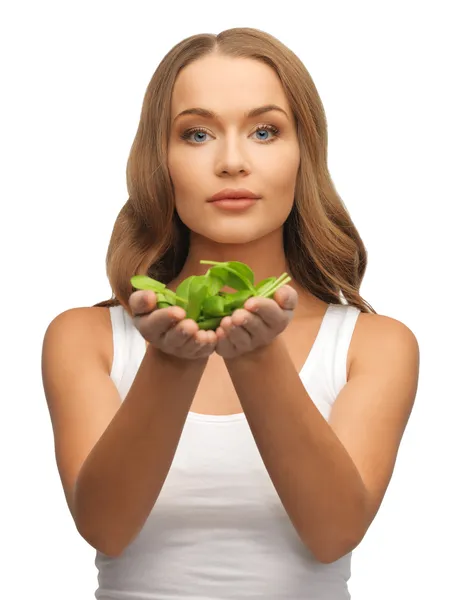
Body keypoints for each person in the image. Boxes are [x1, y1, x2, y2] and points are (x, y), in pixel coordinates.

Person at [41, 27, 420, 600]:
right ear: (160, 160)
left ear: (304, 154)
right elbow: (105, 528)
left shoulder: (376, 345)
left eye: (265, 131)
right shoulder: (85, 338)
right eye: (197, 134)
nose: (232, 161)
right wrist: (171, 363)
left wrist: (258, 358)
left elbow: (334, 533)